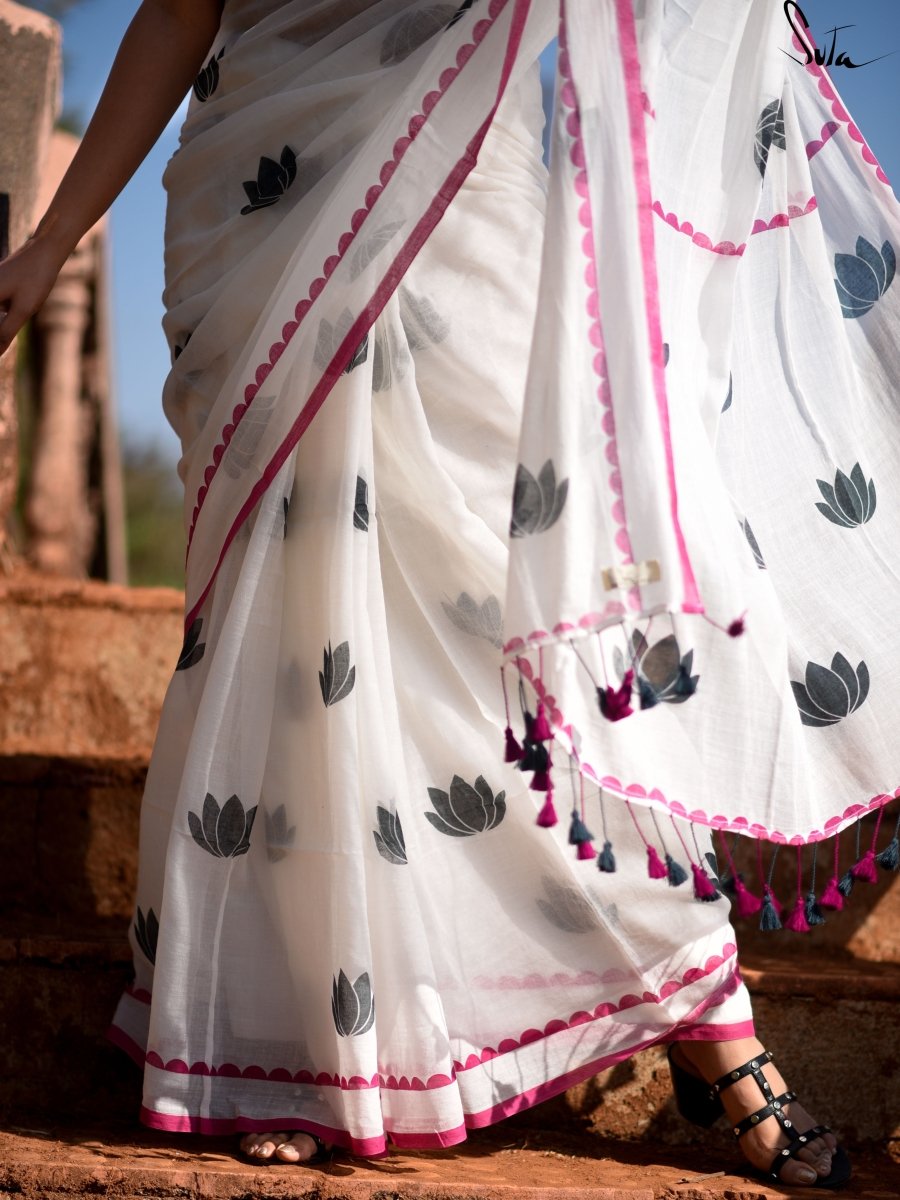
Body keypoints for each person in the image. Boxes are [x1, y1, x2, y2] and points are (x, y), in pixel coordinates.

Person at [3, 0, 897, 1187]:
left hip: (472, 153)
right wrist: (52, 238)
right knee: (299, 595)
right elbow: (179, 7)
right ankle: (312, 1041)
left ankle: (701, 1001)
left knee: (501, 583)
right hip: (269, 178)